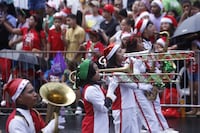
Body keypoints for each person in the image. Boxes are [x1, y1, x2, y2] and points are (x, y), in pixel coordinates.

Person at [103, 43, 139, 133]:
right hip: (122, 108)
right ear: (114, 57)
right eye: (119, 52)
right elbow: (133, 85)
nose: (123, 52)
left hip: (130, 106)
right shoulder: (116, 73)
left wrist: (136, 65)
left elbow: (137, 78)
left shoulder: (122, 68)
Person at [75, 59, 114, 133]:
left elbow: (109, 99)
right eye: (96, 69)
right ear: (90, 73)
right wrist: (112, 89)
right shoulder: (90, 90)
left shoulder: (95, 86)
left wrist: (108, 85)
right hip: (93, 127)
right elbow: (104, 108)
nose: (99, 71)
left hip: (99, 124)